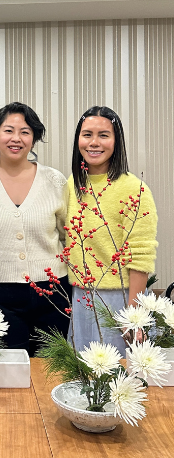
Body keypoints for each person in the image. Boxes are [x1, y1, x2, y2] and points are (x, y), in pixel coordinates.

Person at [0, 102, 70, 352]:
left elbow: (69, 236)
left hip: (53, 292)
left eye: (25, 132)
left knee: (50, 368)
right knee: (5, 372)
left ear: (34, 138)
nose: (16, 138)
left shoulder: (55, 180)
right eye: (8, 130)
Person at [64, 107, 157, 354]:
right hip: (79, 294)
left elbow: (141, 255)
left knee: (115, 377)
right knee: (81, 375)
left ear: (117, 141)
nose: (94, 143)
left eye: (104, 135)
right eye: (87, 135)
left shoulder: (134, 188)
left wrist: (133, 316)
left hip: (119, 298)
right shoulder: (73, 184)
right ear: (78, 140)